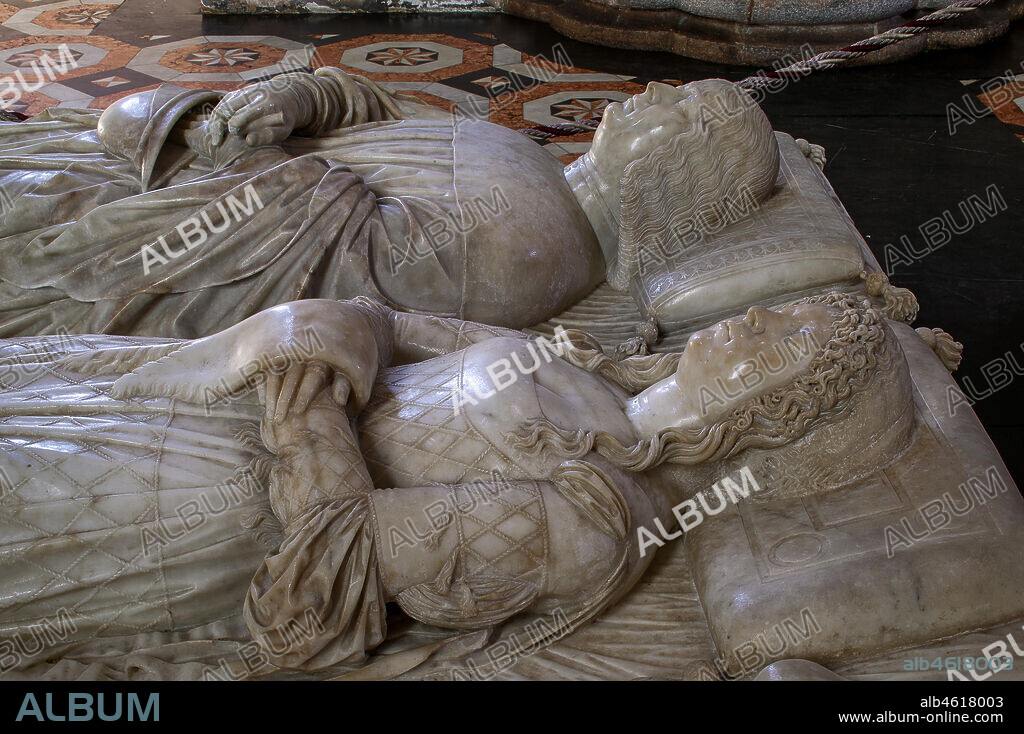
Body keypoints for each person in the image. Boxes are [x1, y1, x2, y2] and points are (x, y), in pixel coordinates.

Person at [0, 292, 913, 677]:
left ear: (777, 412)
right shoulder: (583, 363)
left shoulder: (596, 521)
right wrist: (334, 328)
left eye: (780, 337)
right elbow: (393, 323)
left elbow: (330, 564)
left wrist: (303, 375)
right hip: (212, 389)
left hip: (192, 498)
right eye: (780, 304)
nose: (752, 315)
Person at [0, 71, 779, 338]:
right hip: (188, 171)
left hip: (163, 232)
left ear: (679, 175)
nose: (655, 91)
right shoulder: (536, 164)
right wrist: (292, 96)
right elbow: (373, 109)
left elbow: (313, 263)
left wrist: (238, 147)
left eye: (682, 109)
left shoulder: (528, 250)